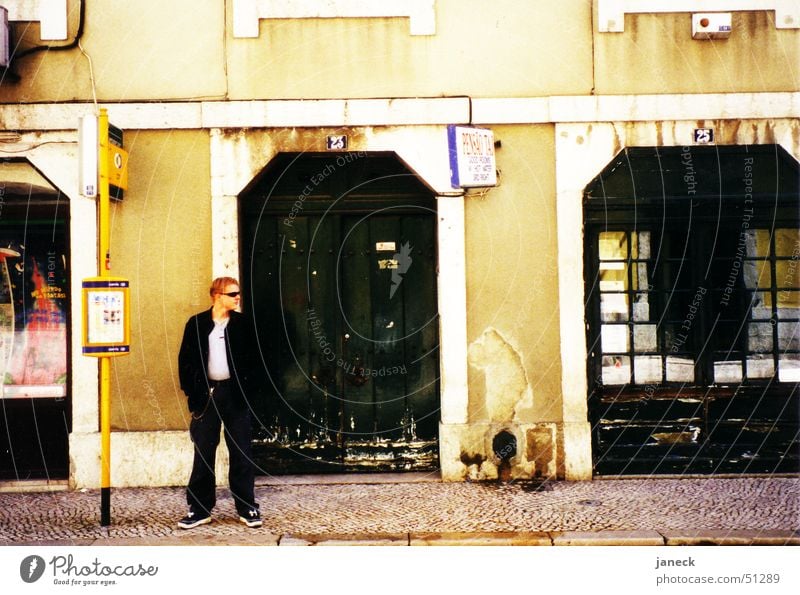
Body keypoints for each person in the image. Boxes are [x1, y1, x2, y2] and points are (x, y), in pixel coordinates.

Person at [177, 276, 261, 529]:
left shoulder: (244, 324)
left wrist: (249, 393)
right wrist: (194, 394)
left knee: (242, 453)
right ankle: (200, 509)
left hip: (235, 396)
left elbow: (256, 361)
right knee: (203, 452)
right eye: (232, 294)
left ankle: (247, 507)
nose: (237, 298)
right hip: (206, 396)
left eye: (238, 294)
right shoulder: (197, 324)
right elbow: (186, 362)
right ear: (217, 296)